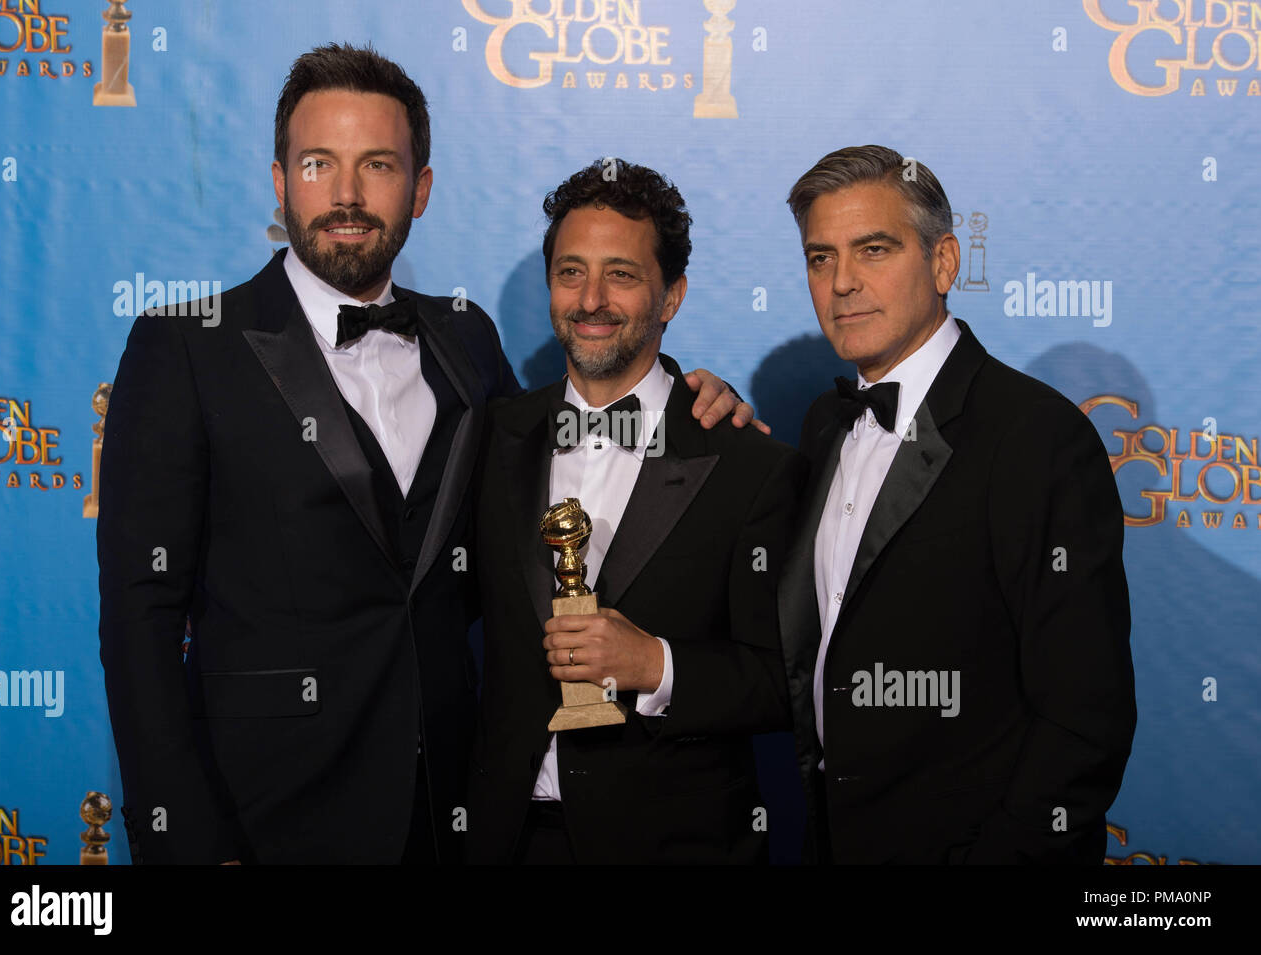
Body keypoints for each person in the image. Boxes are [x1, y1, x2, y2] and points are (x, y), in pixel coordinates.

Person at [96, 43, 751, 865]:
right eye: (317, 163)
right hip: (264, 816)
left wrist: (689, 397)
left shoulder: (465, 338)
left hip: (454, 808)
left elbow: (566, 448)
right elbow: (139, 622)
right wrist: (186, 838)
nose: (345, 194)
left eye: (377, 164)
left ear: (422, 187)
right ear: (277, 181)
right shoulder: (186, 348)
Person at [777, 145, 1136, 864]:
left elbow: (1084, 717)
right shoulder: (825, 423)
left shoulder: (1038, 438)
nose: (842, 282)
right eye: (821, 257)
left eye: (873, 249)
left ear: (944, 263)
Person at [467, 159, 806, 864]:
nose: (591, 299)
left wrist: (655, 663)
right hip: (505, 839)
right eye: (570, 272)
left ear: (671, 295)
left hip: (674, 846)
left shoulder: (748, 465)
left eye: (621, 273)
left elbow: (783, 682)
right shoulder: (490, 436)